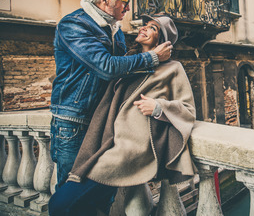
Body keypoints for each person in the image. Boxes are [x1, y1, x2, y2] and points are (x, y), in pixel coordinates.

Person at [49, 15, 196, 216]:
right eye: (144, 25)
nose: (143, 28)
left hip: (131, 150)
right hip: (106, 141)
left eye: (152, 28)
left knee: (59, 204)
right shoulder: (128, 63)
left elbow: (188, 109)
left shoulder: (173, 68)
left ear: (162, 40)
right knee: (92, 206)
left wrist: (158, 107)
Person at [50, 0, 173, 188]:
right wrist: (152, 57)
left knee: (101, 187)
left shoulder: (113, 30)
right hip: (74, 121)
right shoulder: (73, 25)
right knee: (70, 189)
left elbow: (121, 74)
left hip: (102, 120)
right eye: (124, 0)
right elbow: (107, 67)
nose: (127, 8)